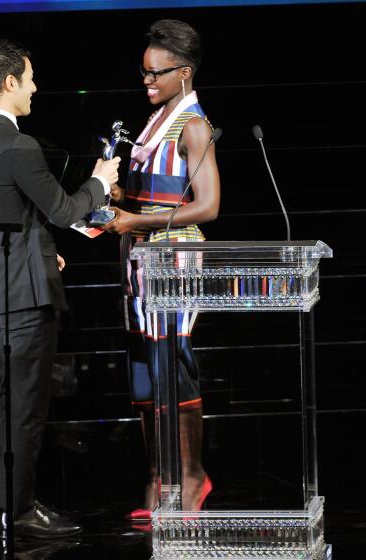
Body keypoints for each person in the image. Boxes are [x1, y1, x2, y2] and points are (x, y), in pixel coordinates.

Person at [0, 39, 120, 539]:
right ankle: (20, 510)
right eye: (30, 78)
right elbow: (65, 210)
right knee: (26, 407)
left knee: (12, 402)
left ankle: (13, 504)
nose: (35, 87)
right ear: (9, 83)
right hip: (26, 297)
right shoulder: (19, 145)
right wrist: (100, 180)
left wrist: (34, 249)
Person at [104, 19, 220, 519]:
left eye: (158, 73)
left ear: (185, 73)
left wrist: (138, 217)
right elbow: (145, 194)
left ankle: (191, 477)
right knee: (145, 372)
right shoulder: (152, 124)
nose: (147, 81)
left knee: (174, 365)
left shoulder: (193, 125)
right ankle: (160, 476)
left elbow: (209, 205)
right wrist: (112, 197)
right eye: (144, 72)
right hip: (137, 257)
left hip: (173, 258)